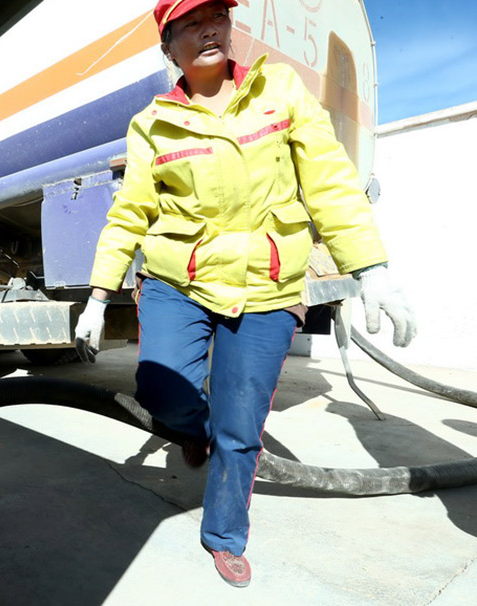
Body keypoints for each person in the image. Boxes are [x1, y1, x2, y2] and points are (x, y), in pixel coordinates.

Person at [73, 0, 416, 588]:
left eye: (216, 15)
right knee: (161, 389)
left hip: (266, 281)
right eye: (189, 22)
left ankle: (224, 534)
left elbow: (329, 183)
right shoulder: (151, 124)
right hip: (178, 279)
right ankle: (192, 427)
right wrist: (100, 294)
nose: (208, 27)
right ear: (167, 43)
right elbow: (129, 214)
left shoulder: (278, 90)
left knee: (241, 426)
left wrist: (372, 268)